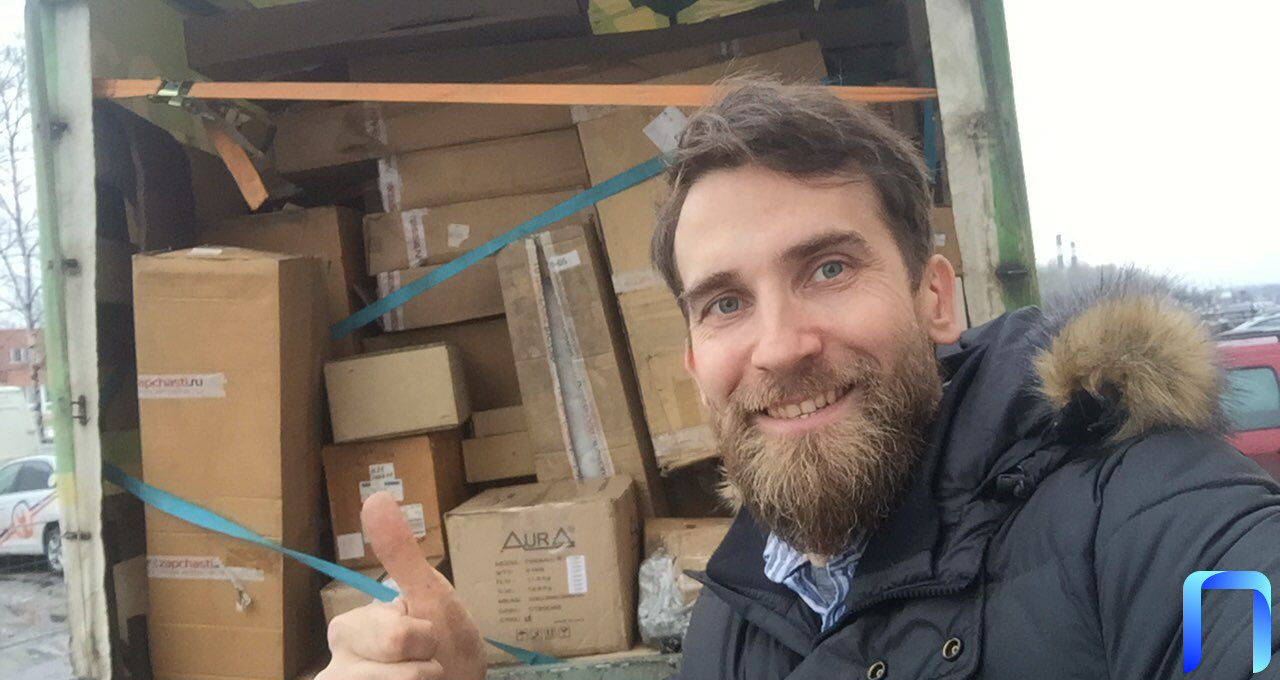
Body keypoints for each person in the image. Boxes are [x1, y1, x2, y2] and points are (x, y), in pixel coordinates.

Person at [319, 78, 1280, 679]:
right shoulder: (732, 623)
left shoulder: (1145, 510)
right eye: (725, 303)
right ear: (694, 363)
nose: (778, 347)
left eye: (827, 268)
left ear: (935, 299)